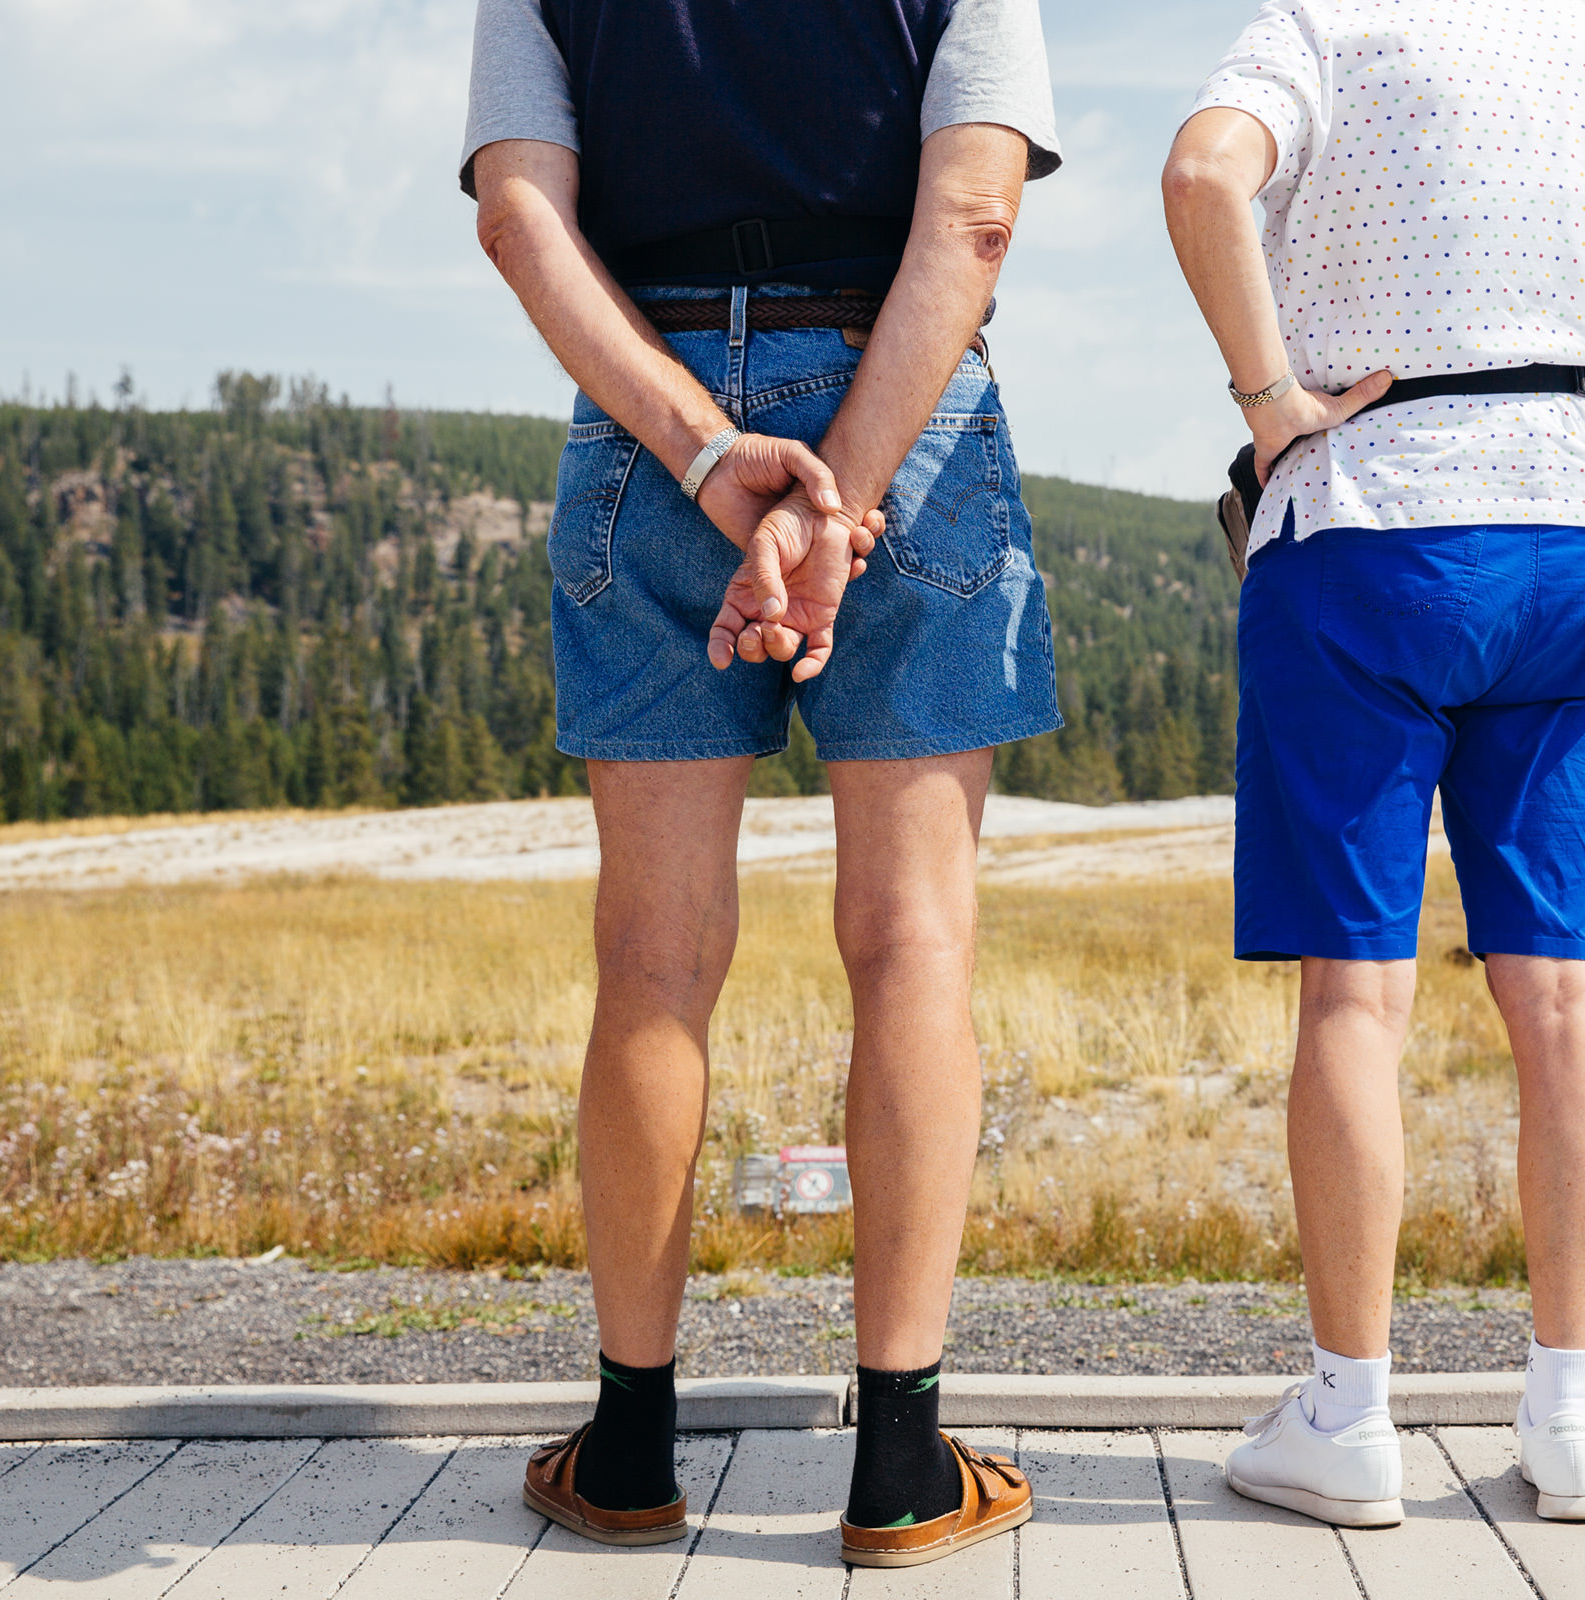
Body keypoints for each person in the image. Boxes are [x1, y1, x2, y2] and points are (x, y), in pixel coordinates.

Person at [1162, 0, 1585, 1528]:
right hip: (1580, 525)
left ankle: (1348, 1418)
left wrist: (1269, 400)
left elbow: (1206, 174)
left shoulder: (1324, 33)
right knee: (1557, 984)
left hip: (1369, 521)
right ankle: (1573, 1416)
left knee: (1359, 987)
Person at [461, 0, 1062, 1569]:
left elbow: (523, 220)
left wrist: (709, 451)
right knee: (913, 941)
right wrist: (844, 500)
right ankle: (903, 1469)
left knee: (654, 959)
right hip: (903, 413)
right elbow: (975, 215)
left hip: (653, 437)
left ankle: (633, 1451)